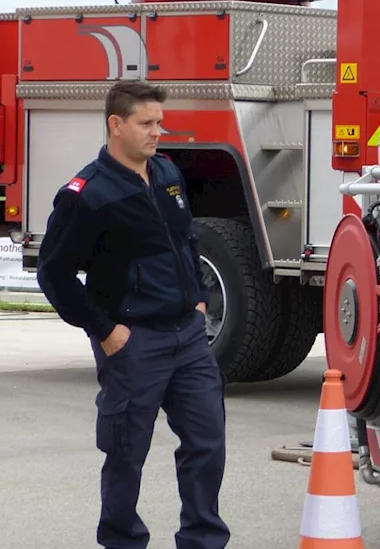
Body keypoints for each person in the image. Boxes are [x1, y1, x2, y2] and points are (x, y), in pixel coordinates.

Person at [36, 80, 230, 549]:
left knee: (207, 444)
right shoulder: (87, 194)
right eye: (147, 123)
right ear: (115, 125)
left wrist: (200, 297)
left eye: (160, 122)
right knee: (126, 453)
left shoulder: (166, 174)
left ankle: (202, 540)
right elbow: (54, 273)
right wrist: (105, 331)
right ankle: (122, 541)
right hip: (133, 343)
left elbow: (186, 240)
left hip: (187, 338)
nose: (157, 132)